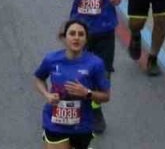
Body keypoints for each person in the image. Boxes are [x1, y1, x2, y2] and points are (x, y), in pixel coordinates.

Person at [32, 20, 112, 149]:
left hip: (82, 125)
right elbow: (38, 78)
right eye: (72, 33)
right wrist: (47, 95)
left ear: (86, 40)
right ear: (64, 38)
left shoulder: (95, 64)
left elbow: (106, 96)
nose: (76, 38)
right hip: (55, 122)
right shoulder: (51, 59)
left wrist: (87, 93)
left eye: (81, 34)